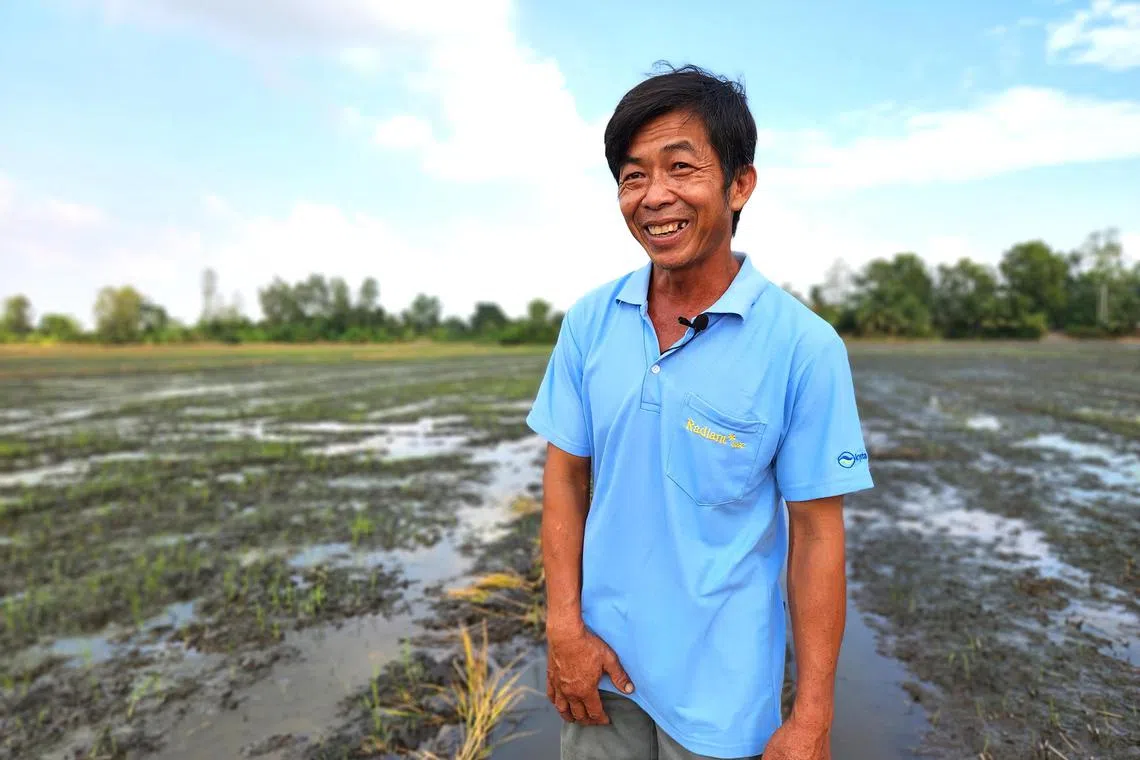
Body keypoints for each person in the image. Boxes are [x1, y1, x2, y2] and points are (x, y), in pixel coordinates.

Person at [525, 64, 874, 760]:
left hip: (722, 697)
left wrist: (811, 716)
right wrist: (563, 630)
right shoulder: (592, 322)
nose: (654, 197)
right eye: (632, 176)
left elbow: (815, 538)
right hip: (602, 669)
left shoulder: (803, 347)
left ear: (739, 184)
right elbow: (565, 479)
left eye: (680, 167)